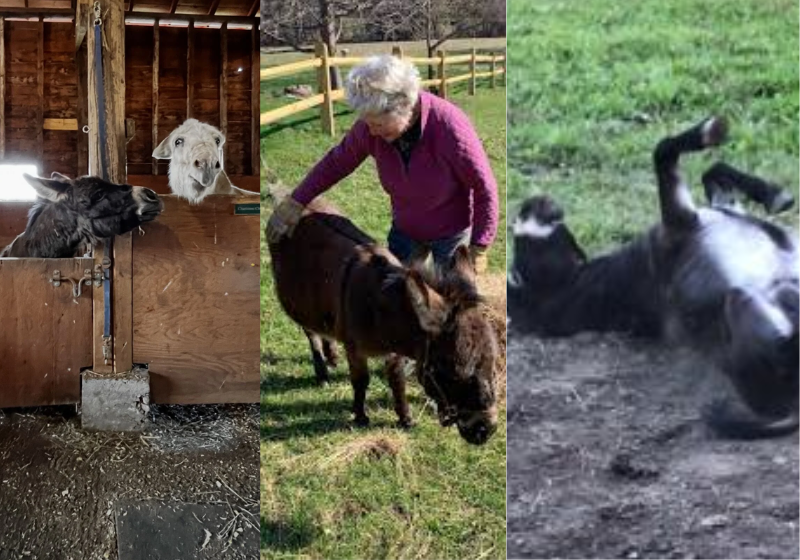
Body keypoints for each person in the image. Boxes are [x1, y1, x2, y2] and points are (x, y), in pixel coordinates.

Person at [266, 54, 499, 272]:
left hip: (451, 234)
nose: (371, 132)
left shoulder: (450, 128)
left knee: (451, 304)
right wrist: (296, 202)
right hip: (405, 230)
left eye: (377, 124)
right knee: (396, 299)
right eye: (367, 123)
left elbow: (484, 187)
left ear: (404, 106)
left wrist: (479, 246)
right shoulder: (369, 129)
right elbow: (336, 163)